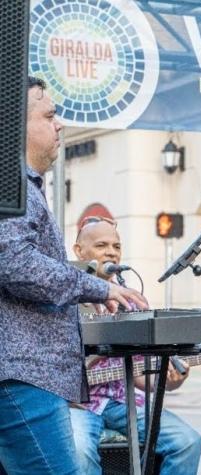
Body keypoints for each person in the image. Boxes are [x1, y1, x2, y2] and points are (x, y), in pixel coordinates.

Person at [0, 77, 147, 474]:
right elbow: (14, 262)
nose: (60, 124)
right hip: (21, 373)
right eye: (49, 115)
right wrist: (97, 287)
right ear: (13, 124)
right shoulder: (10, 183)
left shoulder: (25, 187)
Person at [69, 218, 201, 475]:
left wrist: (171, 380)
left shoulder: (130, 298)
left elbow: (141, 376)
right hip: (76, 404)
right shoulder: (65, 294)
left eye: (116, 246)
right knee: (78, 452)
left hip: (122, 401)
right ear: (79, 251)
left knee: (188, 442)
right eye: (101, 245)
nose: (111, 252)